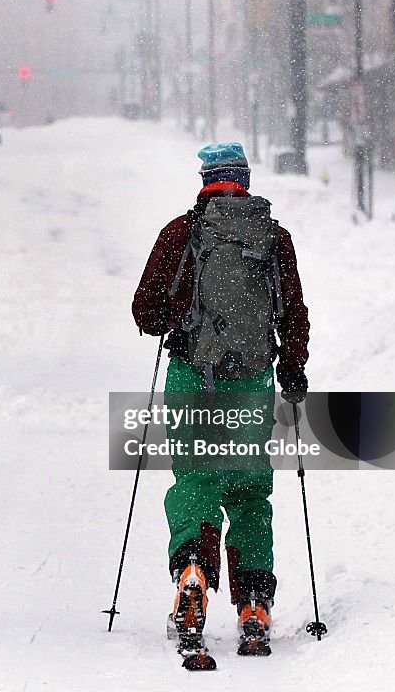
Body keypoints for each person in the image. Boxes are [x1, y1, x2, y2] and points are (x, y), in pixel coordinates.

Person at [131, 142, 309, 660]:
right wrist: (292, 367)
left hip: (194, 377)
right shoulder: (274, 239)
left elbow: (145, 310)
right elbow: (293, 311)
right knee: (250, 493)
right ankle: (253, 600)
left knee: (196, 481)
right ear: (245, 181)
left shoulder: (181, 233)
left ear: (206, 179)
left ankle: (192, 571)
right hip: (252, 382)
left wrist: (178, 320)